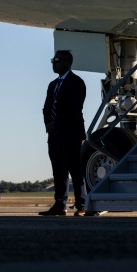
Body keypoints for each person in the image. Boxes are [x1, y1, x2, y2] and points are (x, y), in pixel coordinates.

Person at [39, 50, 87, 217]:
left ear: (68, 62)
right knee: (58, 170)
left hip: (71, 132)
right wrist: (48, 124)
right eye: (53, 60)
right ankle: (60, 204)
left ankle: (82, 204)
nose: (54, 63)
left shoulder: (77, 82)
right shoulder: (53, 84)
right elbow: (46, 107)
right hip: (54, 133)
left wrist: (56, 124)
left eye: (57, 60)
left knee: (75, 169)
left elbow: (74, 109)